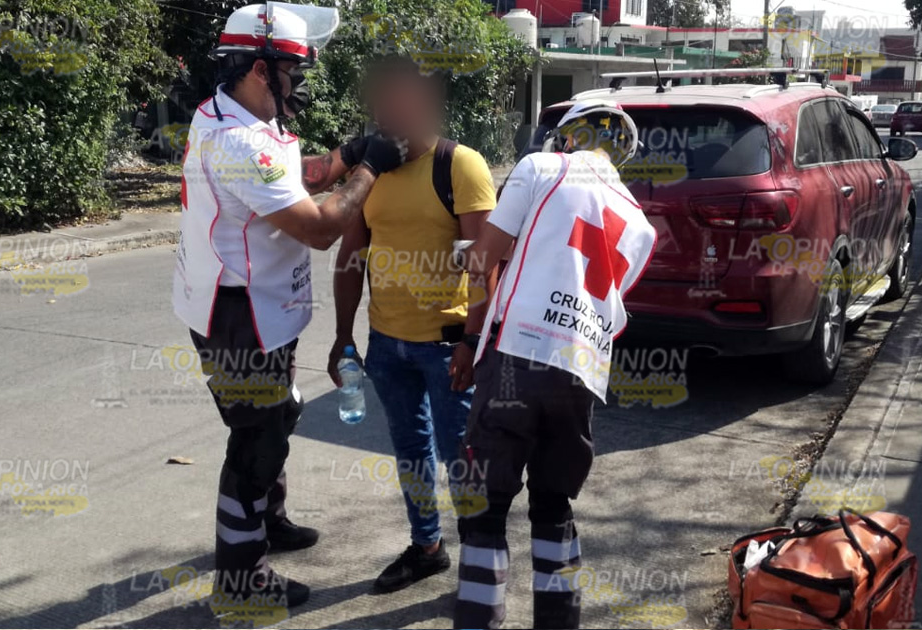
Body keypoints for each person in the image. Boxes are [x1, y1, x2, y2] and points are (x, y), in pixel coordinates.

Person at [172, 2, 409, 608]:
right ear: (259, 68)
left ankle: (264, 522)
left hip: (254, 307)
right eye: (294, 73)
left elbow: (291, 174)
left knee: (279, 417)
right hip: (240, 315)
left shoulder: (234, 116)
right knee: (256, 442)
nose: (301, 84)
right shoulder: (236, 140)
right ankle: (241, 577)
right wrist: (371, 171)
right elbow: (321, 227)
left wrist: (345, 155)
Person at [452, 100, 657, 629]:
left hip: (517, 354)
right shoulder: (639, 223)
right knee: (553, 506)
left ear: (567, 137)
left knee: (485, 505)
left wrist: (461, 254)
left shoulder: (539, 168)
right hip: (581, 371)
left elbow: (484, 259)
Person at [326, 55, 499, 594]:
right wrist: (341, 336)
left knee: (462, 461)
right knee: (410, 455)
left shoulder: (460, 166)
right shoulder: (371, 173)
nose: (385, 109)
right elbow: (350, 255)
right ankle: (426, 547)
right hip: (386, 345)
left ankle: (479, 565)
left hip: (448, 349)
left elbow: (483, 264)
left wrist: (474, 338)